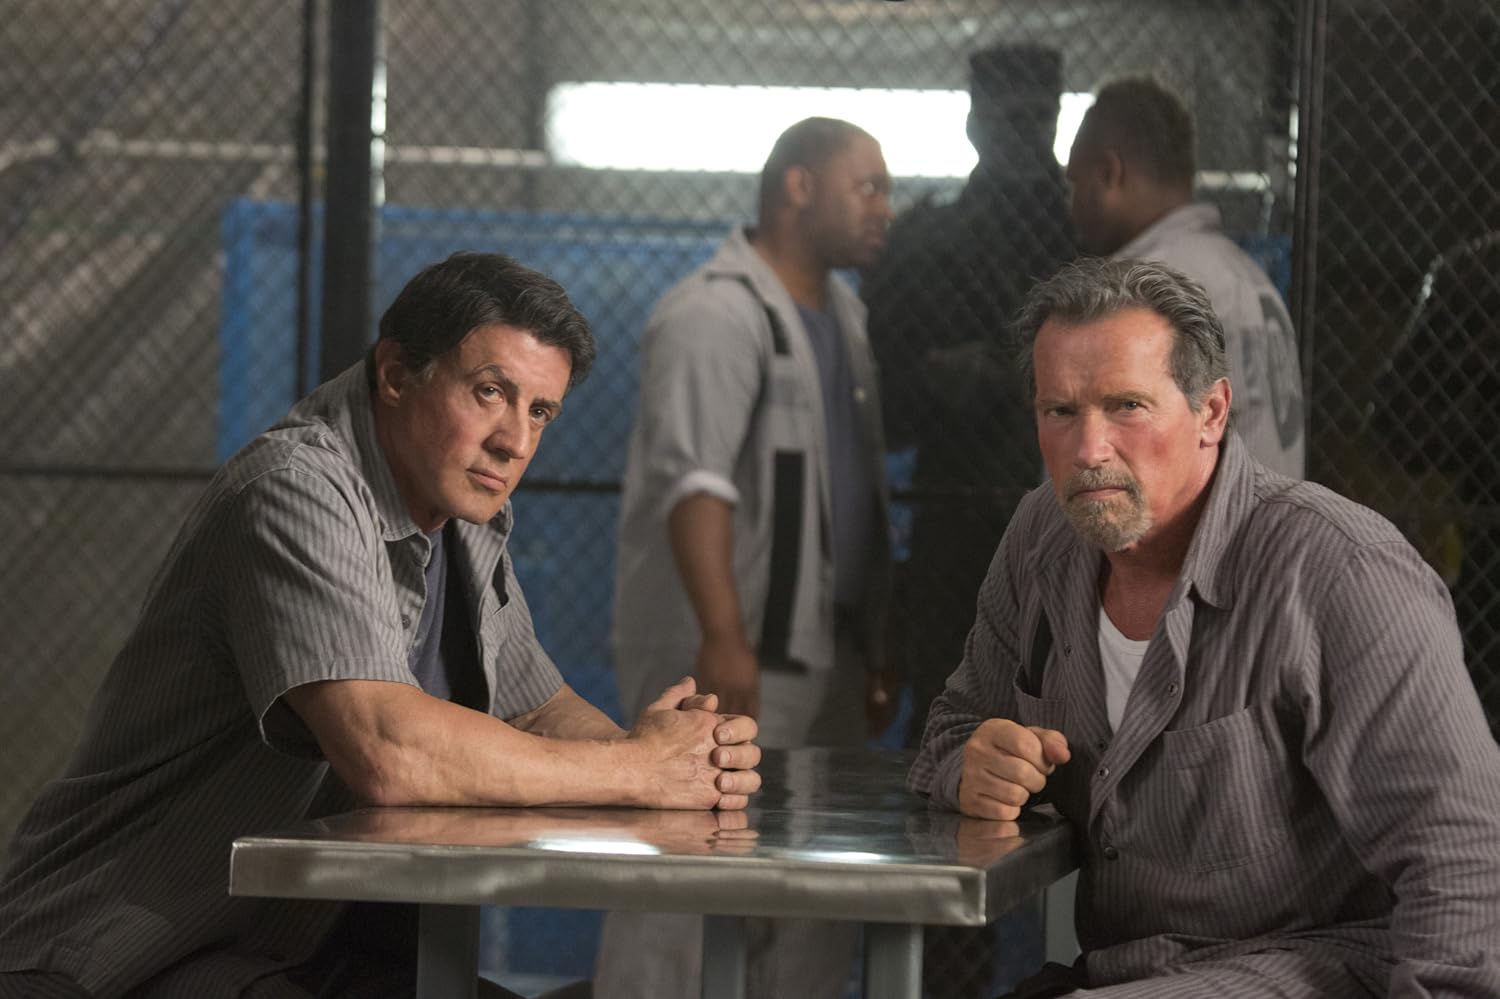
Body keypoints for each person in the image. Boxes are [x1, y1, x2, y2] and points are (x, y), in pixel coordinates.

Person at [0, 252, 762, 999]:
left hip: (289, 943)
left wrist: (680, 757)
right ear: (396, 373)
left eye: (540, 411)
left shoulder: (462, 513)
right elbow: (388, 751)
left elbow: (538, 707)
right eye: (490, 391)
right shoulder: (296, 493)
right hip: (120, 950)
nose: (516, 440)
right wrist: (637, 771)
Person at [910, 257, 1500, 998]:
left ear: (1212, 413)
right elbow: (951, 728)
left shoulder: (1342, 571)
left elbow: (1466, 858)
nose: (1089, 450)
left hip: (1313, 966)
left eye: (1126, 406)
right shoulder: (1041, 539)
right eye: (1060, 411)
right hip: (1122, 973)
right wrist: (972, 767)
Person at [597, 116, 895, 999]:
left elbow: (859, 493)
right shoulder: (712, 313)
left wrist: (876, 640)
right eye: (867, 186)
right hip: (732, 653)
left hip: (825, 652)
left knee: (811, 885)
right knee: (683, 877)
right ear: (798, 186)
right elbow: (695, 483)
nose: (885, 207)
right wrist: (725, 636)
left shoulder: (845, 315)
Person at [859, 43, 1075, 999]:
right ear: (976, 122)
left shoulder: (1093, 233)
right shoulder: (930, 240)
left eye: (1039, 116)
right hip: (961, 534)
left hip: (1085, 532)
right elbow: (885, 406)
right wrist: (956, 380)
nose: (1025, 134)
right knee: (953, 757)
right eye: (1009, 116)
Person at [1066, 76, 1305, 479]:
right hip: (1272, 517)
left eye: (1075, 183)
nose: (1071, 206)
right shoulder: (1248, 278)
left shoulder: (1135, 292)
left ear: (1109, 173)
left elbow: (1096, 469)